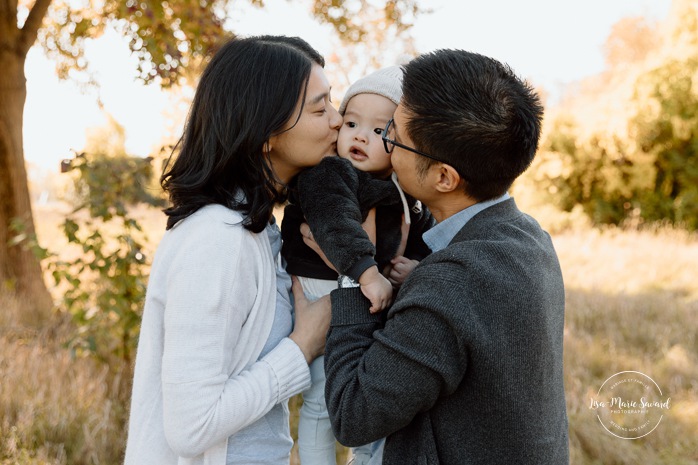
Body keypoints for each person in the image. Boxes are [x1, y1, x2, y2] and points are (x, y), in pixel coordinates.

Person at [314, 49, 569, 464]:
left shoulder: (452, 283)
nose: (384, 145)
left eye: (393, 136)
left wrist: (349, 274)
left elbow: (353, 415)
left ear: (444, 177)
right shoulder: (529, 237)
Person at [123, 35, 340, 465]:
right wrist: (302, 346)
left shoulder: (258, 228)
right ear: (265, 135)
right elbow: (192, 426)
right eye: (320, 109)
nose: (338, 120)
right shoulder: (218, 239)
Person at [281, 66, 434, 465]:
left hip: (370, 296)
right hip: (322, 287)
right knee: (323, 397)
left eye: (380, 130)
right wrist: (368, 273)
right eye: (351, 123)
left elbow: (423, 233)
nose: (361, 136)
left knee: (369, 392)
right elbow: (335, 225)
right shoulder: (330, 173)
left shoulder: (402, 189)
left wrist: (415, 267)